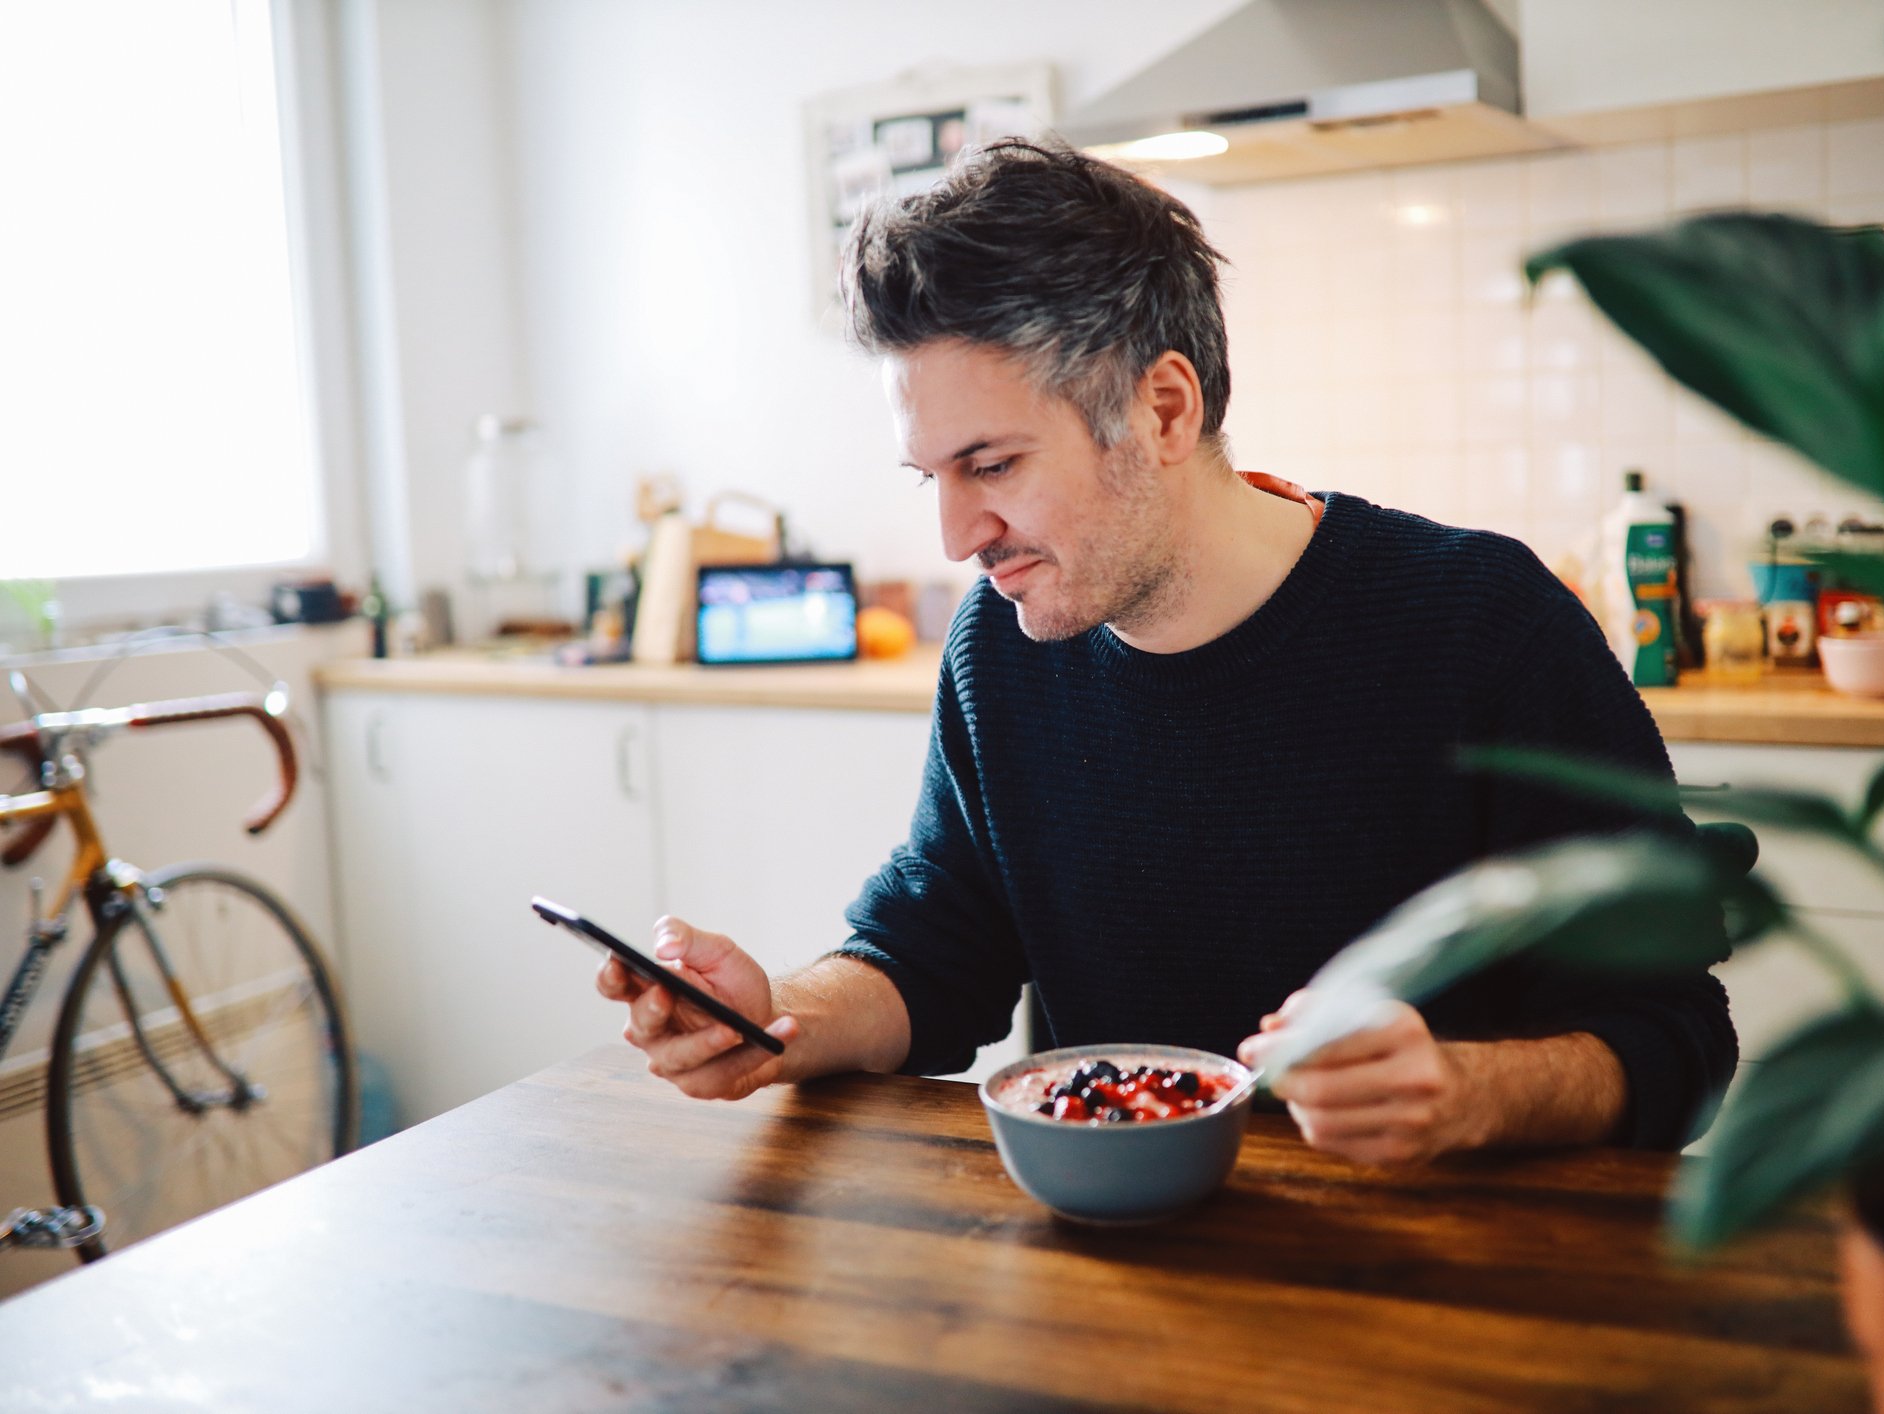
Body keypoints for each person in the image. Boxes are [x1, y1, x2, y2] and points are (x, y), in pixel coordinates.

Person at [597, 140, 1736, 1166]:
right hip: (1116, 1285)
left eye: (992, 465)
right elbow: (935, 950)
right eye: (930, 476)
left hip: (1446, 1301)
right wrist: (774, 1022)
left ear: (1165, 410)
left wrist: (1471, 1091)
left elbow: (1678, 1037)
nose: (955, 537)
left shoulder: (1486, 627)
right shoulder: (1001, 645)